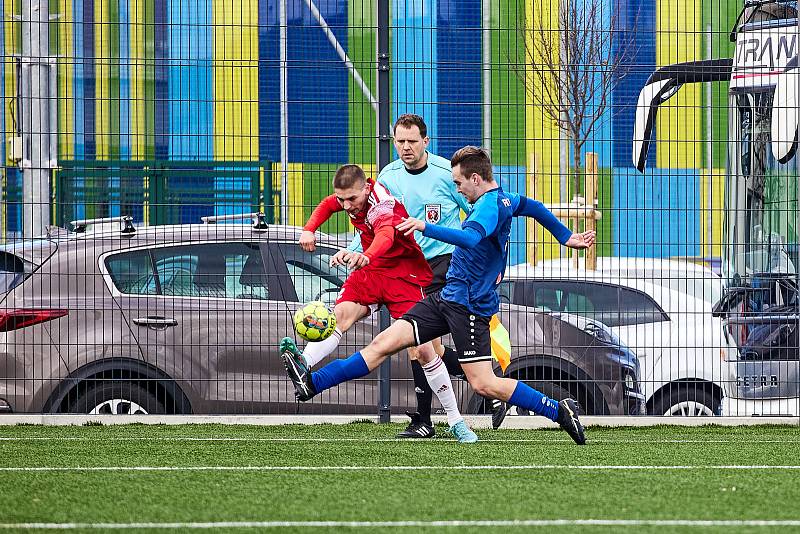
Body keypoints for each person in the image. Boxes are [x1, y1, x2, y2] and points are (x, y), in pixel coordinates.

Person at [281, 146, 596, 445]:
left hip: (470, 307)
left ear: (476, 178)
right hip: (446, 296)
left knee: (484, 383)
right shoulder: (505, 199)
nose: (457, 189)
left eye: (458, 182)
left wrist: (424, 227)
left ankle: (558, 410)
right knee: (382, 345)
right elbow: (535, 207)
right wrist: (566, 237)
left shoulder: (486, 208)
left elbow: (470, 239)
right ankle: (311, 384)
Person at [288, 163, 478, 443]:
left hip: (405, 276)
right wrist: (309, 229)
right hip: (373, 272)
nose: (347, 205)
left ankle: (455, 420)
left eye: (352, 199)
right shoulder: (348, 198)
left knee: (425, 352)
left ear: (366, 188)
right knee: (339, 316)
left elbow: (386, 236)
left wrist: (367, 255)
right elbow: (328, 205)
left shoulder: (382, 205)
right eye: (343, 199)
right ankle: (303, 364)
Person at [343, 113, 506, 438]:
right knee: (423, 347)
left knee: (419, 345)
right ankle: (488, 380)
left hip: (444, 265)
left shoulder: (449, 174)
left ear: (425, 142)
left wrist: (494, 266)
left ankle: (426, 419)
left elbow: (484, 216)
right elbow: (371, 219)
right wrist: (358, 252)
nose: (405, 147)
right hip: (407, 268)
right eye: (400, 141)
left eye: (412, 141)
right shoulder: (387, 176)